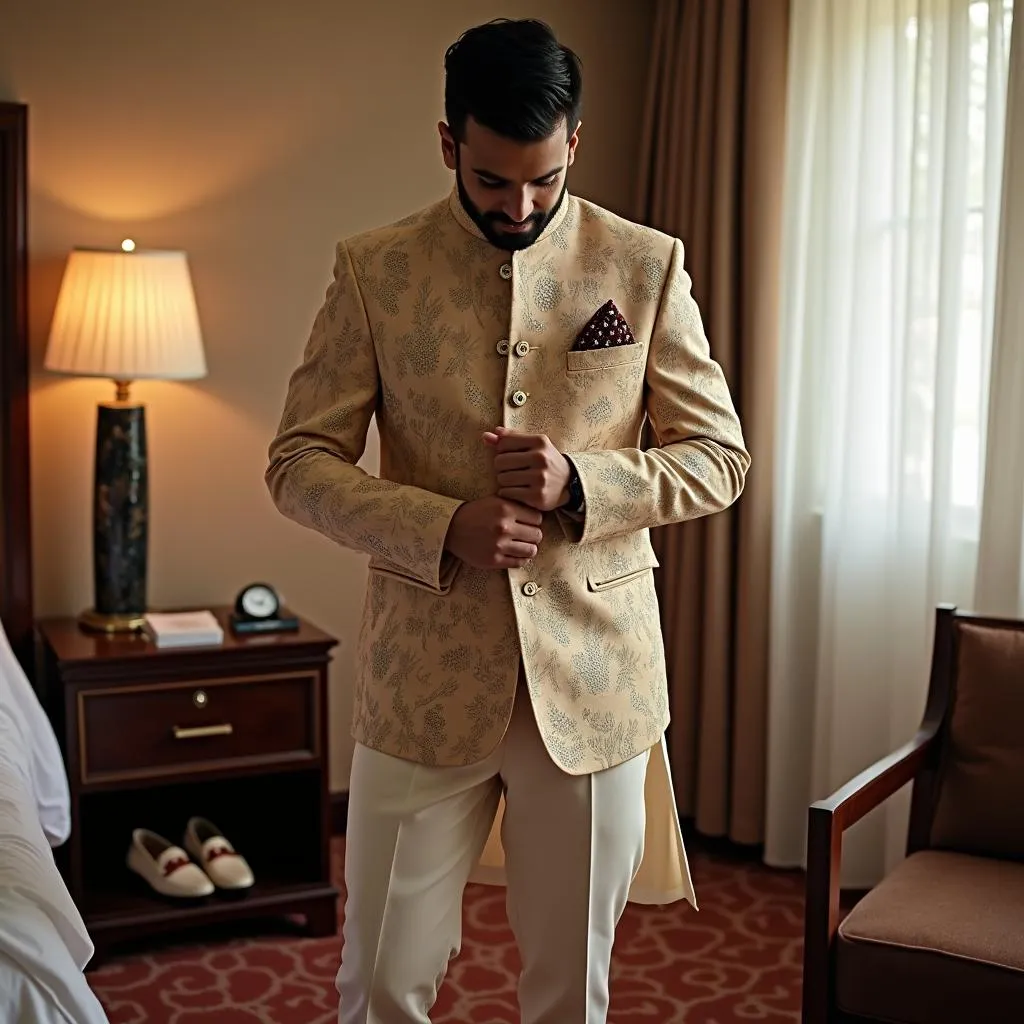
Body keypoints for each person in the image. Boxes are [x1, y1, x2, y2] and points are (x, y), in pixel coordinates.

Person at [265, 17, 749, 1024]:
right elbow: (298, 465)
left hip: (594, 679)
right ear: (448, 144)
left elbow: (720, 460)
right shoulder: (374, 269)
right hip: (421, 685)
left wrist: (584, 480)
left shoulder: (645, 264)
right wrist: (442, 525)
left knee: (570, 991)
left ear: (575, 142)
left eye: (542, 180)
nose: (519, 207)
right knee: (381, 979)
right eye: (490, 181)